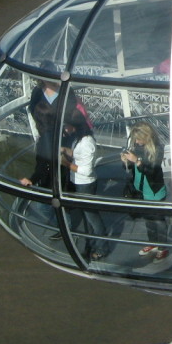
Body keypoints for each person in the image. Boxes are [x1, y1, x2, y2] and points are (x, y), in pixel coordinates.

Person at [59, 111, 108, 261]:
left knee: (92, 217)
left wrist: (66, 163)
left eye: (67, 126)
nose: (65, 129)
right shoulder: (80, 139)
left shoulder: (87, 142)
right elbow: (79, 155)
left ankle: (102, 248)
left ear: (75, 126)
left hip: (85, 184)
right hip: (79, 182)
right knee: (88, 216)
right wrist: (65, 150)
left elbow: (86, 171)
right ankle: (91, 241)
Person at [121, 122, 169, 260]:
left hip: (154, 190)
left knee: (158, 221)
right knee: (148, 219)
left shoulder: (157, 149)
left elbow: (152, 172)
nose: (136, 142)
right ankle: (153, 243)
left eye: (138, 139)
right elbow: (131, 169)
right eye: (135, 139)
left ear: (146, 137)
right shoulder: (137, 147)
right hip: (140, 189)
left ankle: (162, 246)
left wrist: (137, 161)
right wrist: (126, 162)